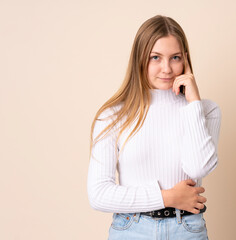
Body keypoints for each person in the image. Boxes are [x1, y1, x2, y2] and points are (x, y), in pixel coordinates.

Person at [87, 15, 221, 240]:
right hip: (132, 230)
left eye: (175, 57)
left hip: (187, 230)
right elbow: (99, 194)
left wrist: (193, 103)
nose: (166, 69)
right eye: (155, 58)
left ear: (185, 60)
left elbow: (198, 168)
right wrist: (167, 197)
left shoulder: (205, 110)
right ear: (140, 59)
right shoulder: (112, 115)